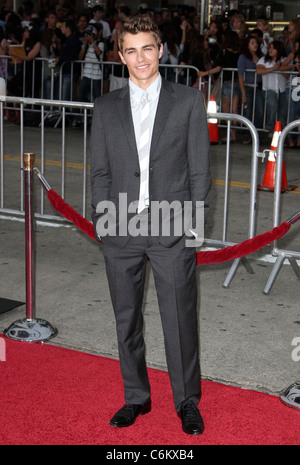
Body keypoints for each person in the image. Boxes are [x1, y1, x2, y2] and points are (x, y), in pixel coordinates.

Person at [90, 14, 211, 435]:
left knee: (179, 317)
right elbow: (100, 172)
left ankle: (187, 401)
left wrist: (194, 228)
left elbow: (199, 171)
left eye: (147, 48)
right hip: (120, 227)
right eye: (131, 50)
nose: (140, 57)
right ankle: (136, 397)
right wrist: (104, 223)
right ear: (120, 56)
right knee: (127, 319)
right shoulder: (105, 107)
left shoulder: (188, 101)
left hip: (173, 228)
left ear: (160, 50)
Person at [238, 35, 264, 144]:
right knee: (248, 113)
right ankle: (249, 136)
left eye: (256, 43)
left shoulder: (261, 56)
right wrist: (243, 93)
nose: (255, 45)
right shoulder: (243, 57)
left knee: (260, 111)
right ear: (247, 45)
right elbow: (240, 76)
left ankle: (256, 135)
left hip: (258, 87)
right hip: (248, 87)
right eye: (252, 43)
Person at [256, 40, 287, 134]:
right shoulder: (263, 59)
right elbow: (259, 70)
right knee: (272, 105)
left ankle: (281, 133)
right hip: (269, 88)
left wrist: (281, 68)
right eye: (270, 48)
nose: (270, 50)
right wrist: (273, 68)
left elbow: (287, 76)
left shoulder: (284, 60)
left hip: (282, 89)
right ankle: (270, 125)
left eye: (273, 48)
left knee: (282, 112)